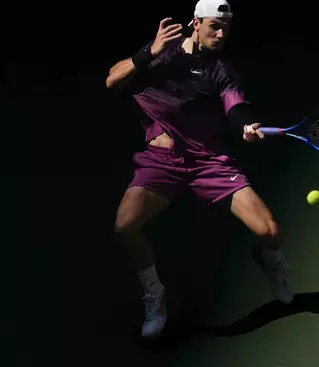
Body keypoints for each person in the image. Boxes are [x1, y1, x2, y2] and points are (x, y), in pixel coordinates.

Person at [106, 0, 293, 339]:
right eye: (214, 27)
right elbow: (112, 80)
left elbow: (236, 108)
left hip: (208, 164)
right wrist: (149, 51)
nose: (220, 34)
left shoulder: (222, 70)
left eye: (225, 29)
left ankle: (272, 263)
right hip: (160, 163)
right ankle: (154, 294)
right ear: (196, 22)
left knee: (271, 231)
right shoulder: (161, 53)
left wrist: (246, 126)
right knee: (125, 226)